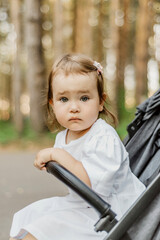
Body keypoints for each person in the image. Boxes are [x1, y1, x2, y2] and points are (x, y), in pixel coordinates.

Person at [10, 53, 145, 240]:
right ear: (53, 104)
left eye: (84, 98)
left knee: (42, 229)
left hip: (110, 212)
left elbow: (93, 184)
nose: (74, 107)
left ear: (100, 102)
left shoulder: (103, 136)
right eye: (64, 99)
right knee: (30, 215)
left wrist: (56, 155)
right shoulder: (62, 137)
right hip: (83, 204)